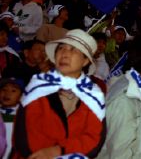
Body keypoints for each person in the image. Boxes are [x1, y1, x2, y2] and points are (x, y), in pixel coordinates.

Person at [11, 29, 106, 158]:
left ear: (85, 61)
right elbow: (25, 134)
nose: (65, 54)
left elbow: (93, 139)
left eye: (73, 50)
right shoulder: (38, 87)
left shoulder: (94, 95)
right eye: (61, 48)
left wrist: (60, 150)